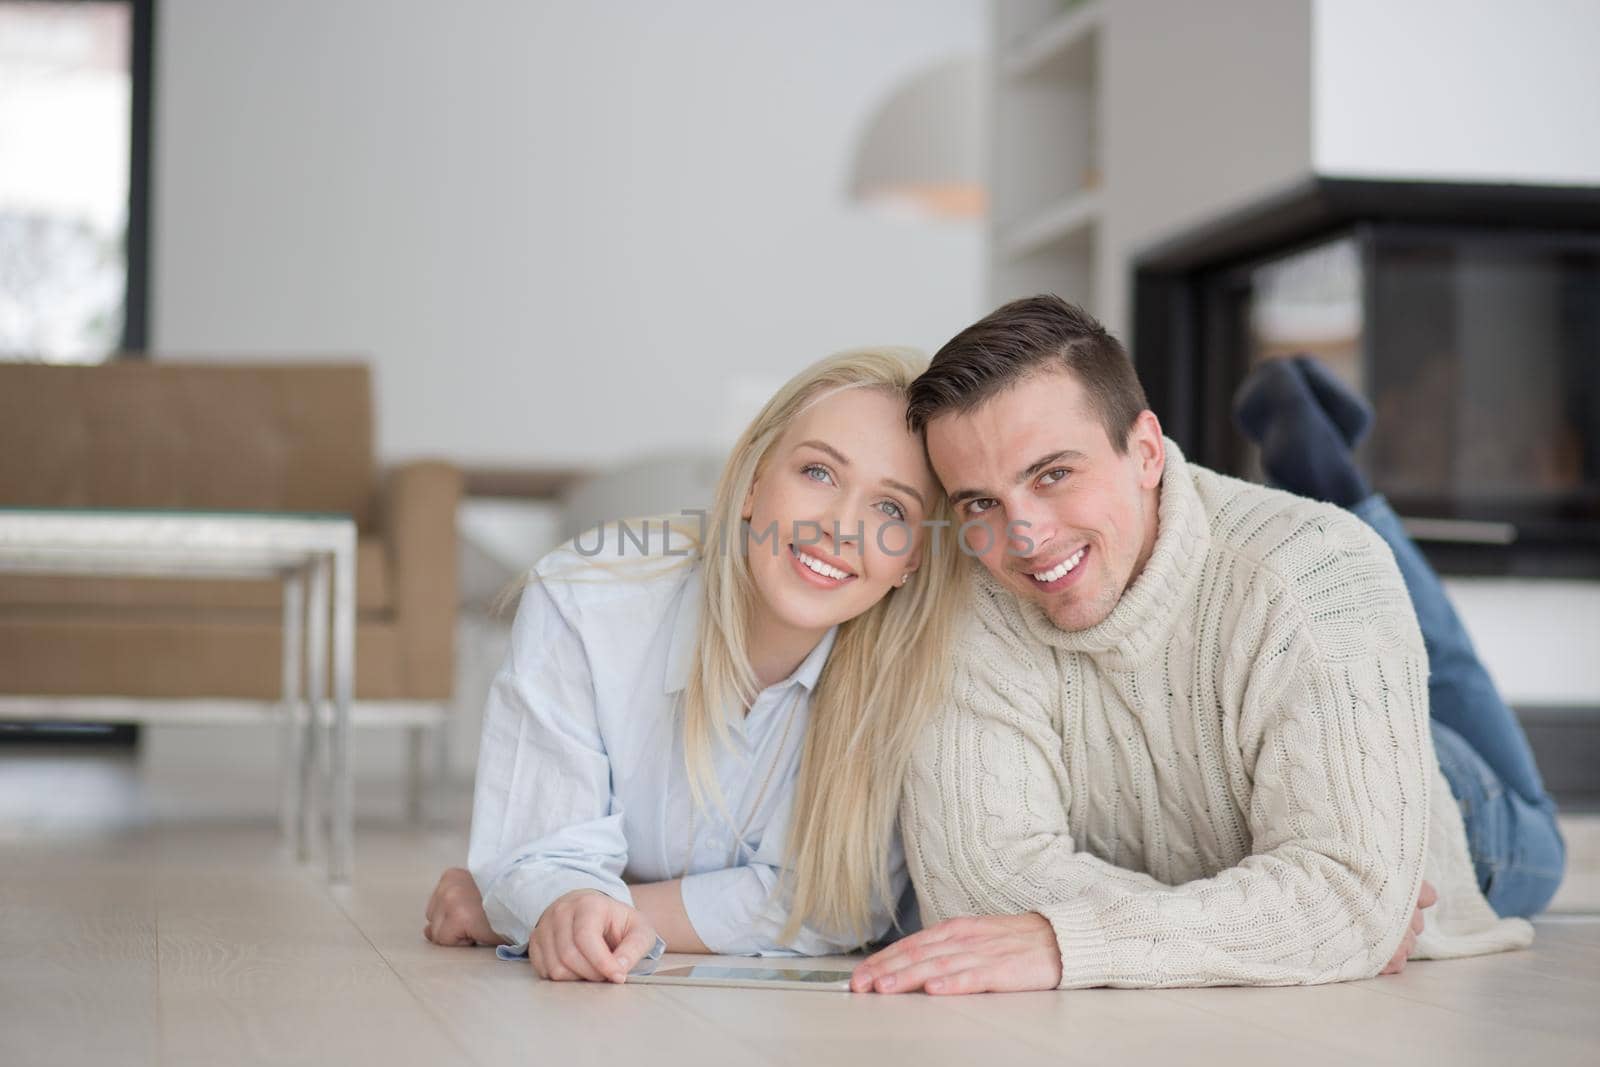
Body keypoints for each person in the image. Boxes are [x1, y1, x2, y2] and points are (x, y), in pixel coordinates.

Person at [850, 295, 1553, 995]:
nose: (1024, 538)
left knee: (1527, 816)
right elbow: (980, 889)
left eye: (1053, 474)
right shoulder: (975, 605)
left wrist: (1069, 936)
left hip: (1455, 802)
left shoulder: (1315, 570)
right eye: (980, 502)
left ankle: (1353, 501)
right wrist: (1282, 925)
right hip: (1276, 704)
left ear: (1147, 451)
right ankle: (1340, 490)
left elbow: (1350, 895)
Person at [423, 347, 966, 982]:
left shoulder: (922, 673)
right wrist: (554, 900)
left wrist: (559, 910)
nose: (843, 527)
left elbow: (834, 903)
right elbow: (540, 851)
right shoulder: (585, 604)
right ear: (754, 482)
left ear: (914, 560)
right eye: (819, 473)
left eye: (891, 509)